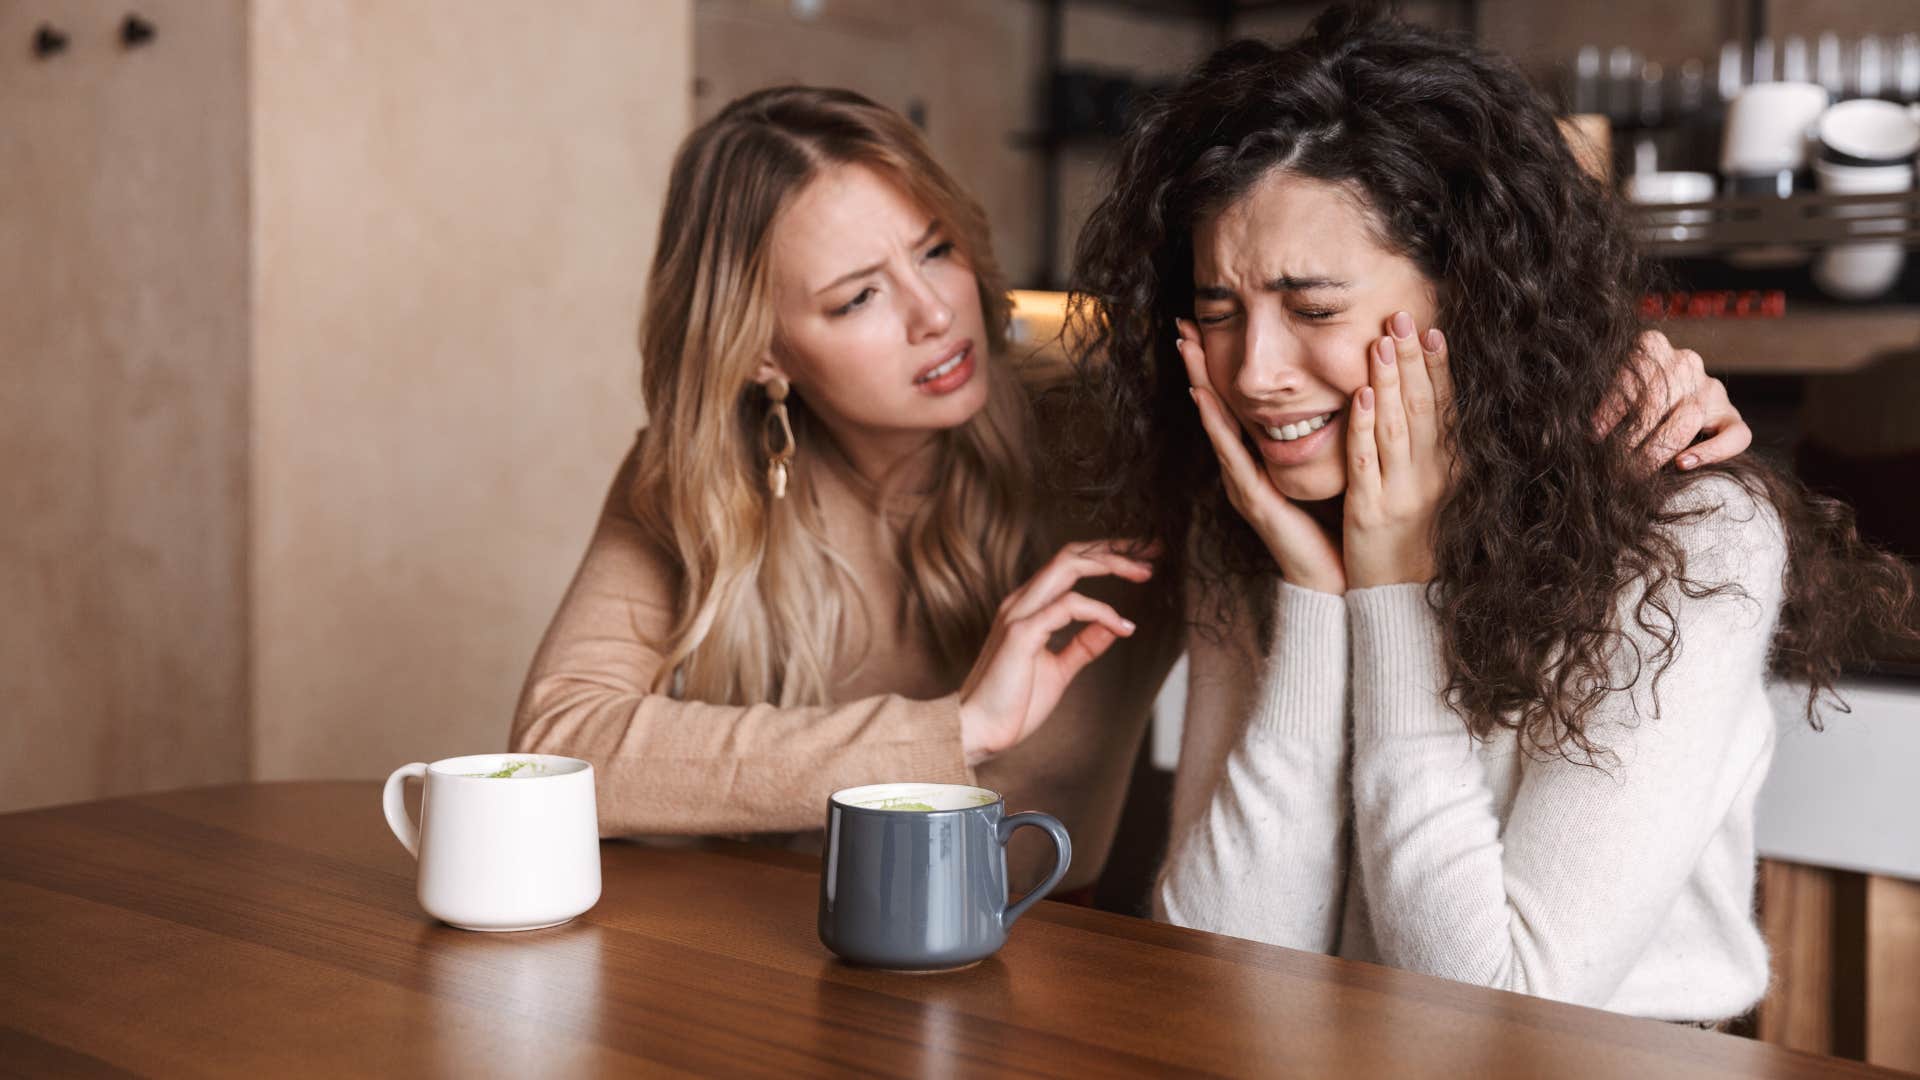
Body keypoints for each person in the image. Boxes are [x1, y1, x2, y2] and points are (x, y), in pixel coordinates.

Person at [511, 83, 1754, 898]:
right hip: (731, 967)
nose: (939, 311)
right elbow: (559, 749)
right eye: (857, 298)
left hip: (1021, 979)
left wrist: (1615, 374)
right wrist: (955, 732)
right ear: (763, 352)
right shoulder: (698, 469)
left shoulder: (1116, 427)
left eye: (935, 247)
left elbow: (1365, 377)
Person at [1067, 8, 1912, 1020]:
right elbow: (1226, 971)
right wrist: (1315, 598)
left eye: (1315, 307)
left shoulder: (1686, 532)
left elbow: (1496, 1013)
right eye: (1218, 310)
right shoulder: (1250, 520)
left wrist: (1393, 594)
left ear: (1472, 296)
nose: (1257, 372)